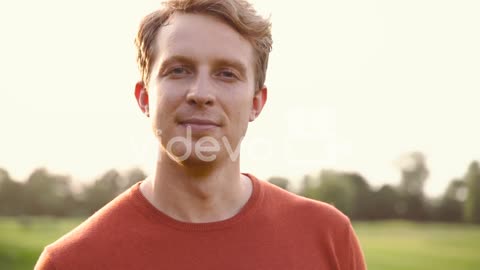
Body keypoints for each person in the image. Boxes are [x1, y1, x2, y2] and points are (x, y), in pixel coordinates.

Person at [35, 0, 367, 269]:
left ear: (256, 102)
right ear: (144, 97)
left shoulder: (328, 237)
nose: (201, 93)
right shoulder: (70, 261)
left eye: (227, 73)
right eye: (178, 70)